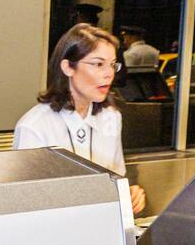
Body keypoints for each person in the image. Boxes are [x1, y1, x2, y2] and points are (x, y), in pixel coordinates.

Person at [13, 24, 147, 216]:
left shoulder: (111, 117)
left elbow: (115, 181)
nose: (109, 73)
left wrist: (129, 195)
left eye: (112, 64)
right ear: (68, 67)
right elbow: (23, 201)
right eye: (98, 64)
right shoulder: (34, 127)